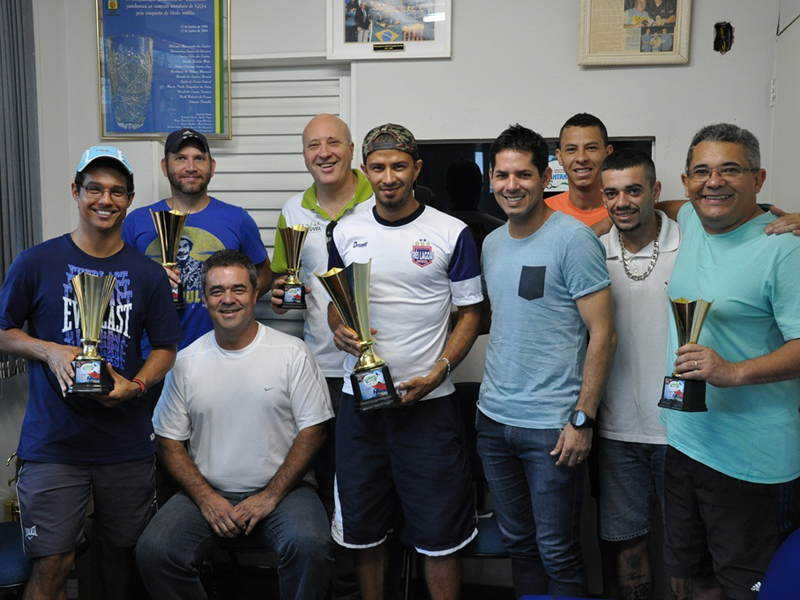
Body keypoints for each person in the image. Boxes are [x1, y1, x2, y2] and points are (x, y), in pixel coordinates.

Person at [0, 146, 182, 600]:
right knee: (54, 561)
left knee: (118, 558)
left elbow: (166, 347)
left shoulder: (147, 274)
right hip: (53, 444)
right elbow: (3, 332)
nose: (106, 199)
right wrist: (50, 351)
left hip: (124, 442)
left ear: (130, 198)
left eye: (117, 191)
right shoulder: (36, 262)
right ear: (76, 192)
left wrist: (135, 385)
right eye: (95, 189)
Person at [327, 123, 483, 600]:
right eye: (378, 167)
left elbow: (472, 313)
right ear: (365, 170)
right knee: (365, 527)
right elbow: (338, 300)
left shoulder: (451, 232)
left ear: (416, 168)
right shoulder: (346, 229)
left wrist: (440, 371)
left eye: (398, 166)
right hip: (361, 404)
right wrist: (338, 326)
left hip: (430, 406)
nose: (388, 177)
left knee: (439, 535)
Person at [135, 250, 334, 600]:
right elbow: (169, 440)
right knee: (155, 551)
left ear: (255, 293)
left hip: (286, 493)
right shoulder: (185, 362)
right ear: (206, 299)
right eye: (217, 291)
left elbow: (314, 429)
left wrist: (270, 497)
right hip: (207, 494)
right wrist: (207, 498)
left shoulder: (292, 353)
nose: (228, 299)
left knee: (311, 545)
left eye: (238, 289)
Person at [661, 123, 800, 599]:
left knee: (749, 589)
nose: (713, 182)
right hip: (686, 442)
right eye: (701, 171)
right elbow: (641, 208)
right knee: (691, 579)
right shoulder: (693, 219)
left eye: (730, 170)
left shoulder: (785, 246)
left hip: (750, 461)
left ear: (758, 180)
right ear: (685, 181)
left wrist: (733, 372)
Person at [477, 124, 616, 598]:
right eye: (501, 175)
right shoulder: (492, 243)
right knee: (519, 543)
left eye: (523, 175)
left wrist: (583, 418)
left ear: (544, 177)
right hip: (493, 421)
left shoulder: (574, 240)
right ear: (491, 179)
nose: (511, 185)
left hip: (552, 429)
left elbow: (604, 333)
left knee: (557, 549)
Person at [270, 113, 375, 600]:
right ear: (304, 154)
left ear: (352, 149)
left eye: (334, 142)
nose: (324, 151)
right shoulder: (293, 211)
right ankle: (335, 586)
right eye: (314, 145)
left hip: (383, 370)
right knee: (331, 480)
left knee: (371, 482)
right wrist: (279, 293)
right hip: (322, 374)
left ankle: (369, 585)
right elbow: (284, 280)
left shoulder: (380, 196)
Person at [597, 148, 690, 600]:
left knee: (687, 551)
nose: (622, 202)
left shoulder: (692, 241)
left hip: (682, 430)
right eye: (612, 193)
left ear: (655, 191)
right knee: (627, 546)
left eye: (634, 190)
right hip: (616, 431)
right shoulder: (593, 252)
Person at [123, 127, 270, 355]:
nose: (190, 167)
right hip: (151, 357)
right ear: (165, 166)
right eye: (180, 158)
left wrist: (235, 303)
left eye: (199, 159)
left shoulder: (237, 219)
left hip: (221, 353)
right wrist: (149, 281)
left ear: (212, 167)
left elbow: (265, 274)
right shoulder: (136, 222)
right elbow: (117, 283)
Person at [548, 113, 614, 228]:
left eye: (591, 148)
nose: (581, 158)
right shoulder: (542, 213)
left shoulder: (624, 211)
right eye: (571, 149)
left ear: (607, 153)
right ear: (559, 157)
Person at [444, 158, 504, 257]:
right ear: (480, 187)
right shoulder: (500, 229)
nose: (464, 192)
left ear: (447, 189)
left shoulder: (435, 229)